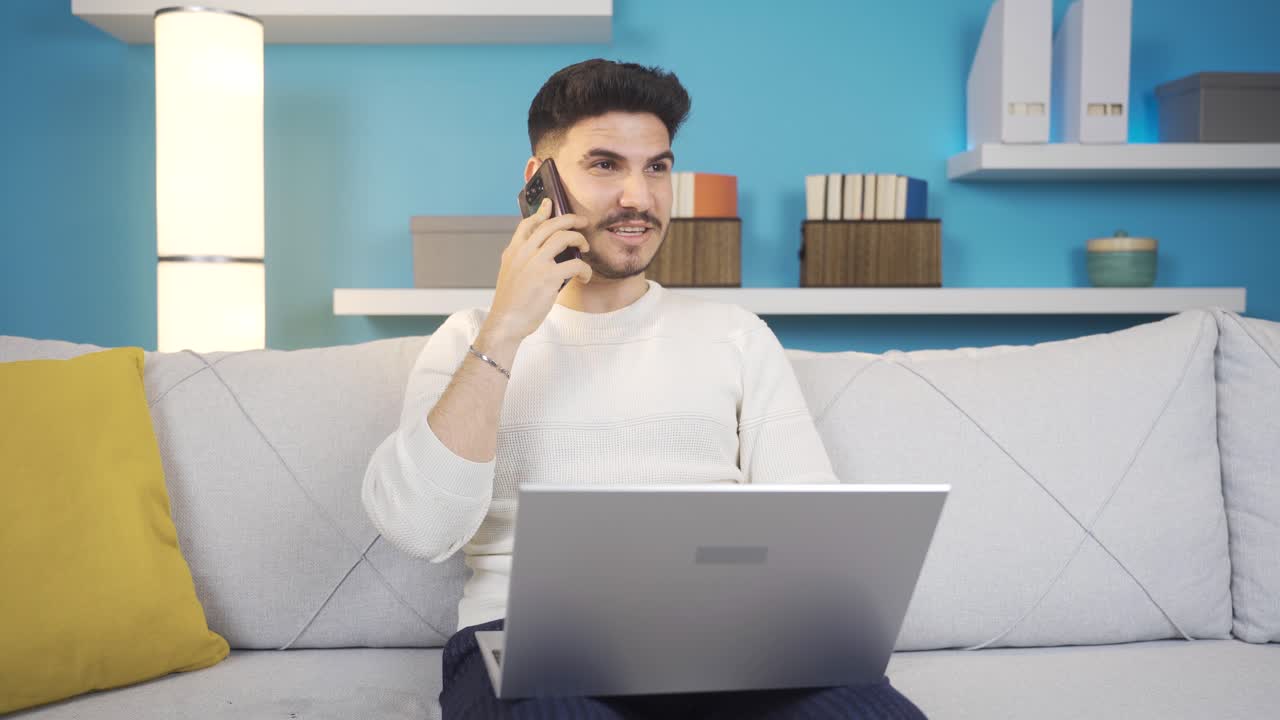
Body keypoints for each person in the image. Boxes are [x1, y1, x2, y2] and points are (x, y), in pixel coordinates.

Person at [362, 58, 926, 720]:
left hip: (731, 641)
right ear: (540, 183)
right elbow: (421, 527)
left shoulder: (736, 336)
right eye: (605, 165)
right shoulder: (470, 340)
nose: (639, 197)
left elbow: (814, 535)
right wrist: (508, 327)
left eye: (656, 167)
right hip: (529, 644)